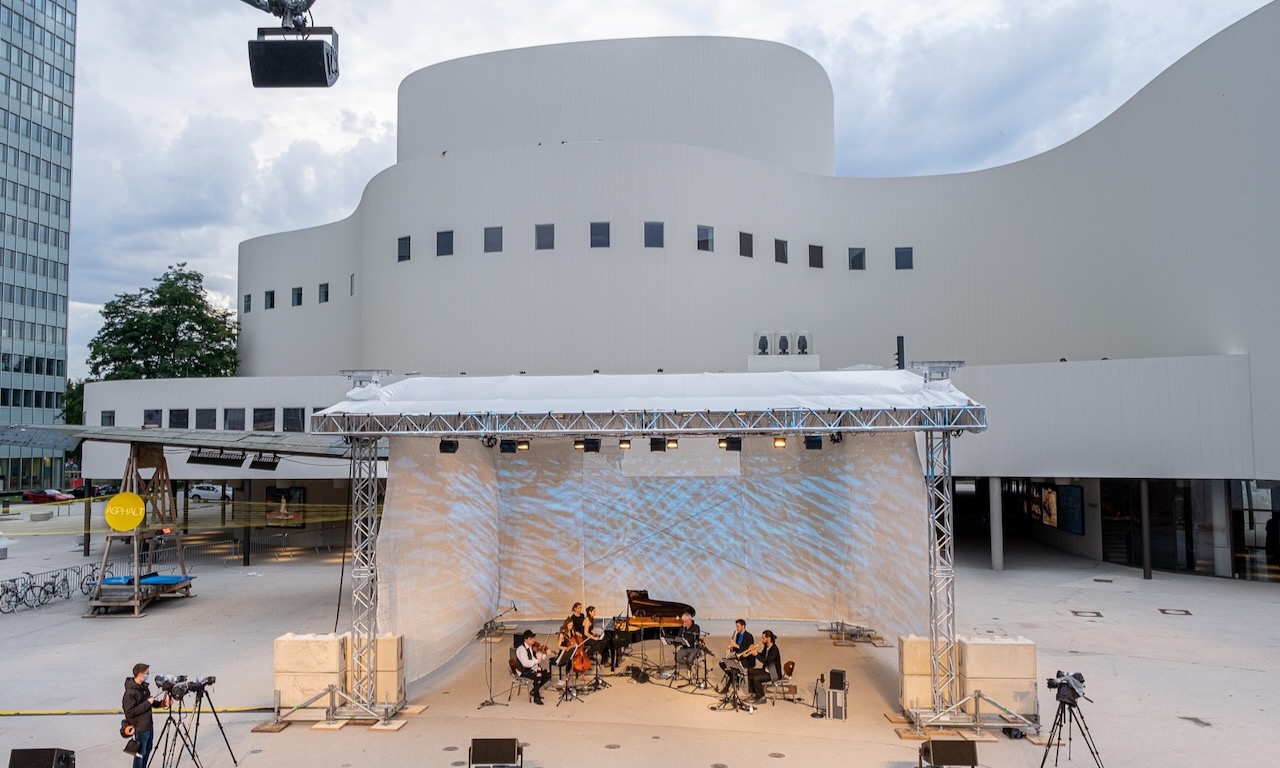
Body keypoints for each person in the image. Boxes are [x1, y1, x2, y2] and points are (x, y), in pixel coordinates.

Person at [122, 662, 169, 768]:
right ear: (140, 674)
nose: (148, 675)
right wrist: (148, 703)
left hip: (148, 725)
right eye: (146, 673)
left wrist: (161, 704)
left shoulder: (143, 687)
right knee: (140, 754)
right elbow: (130, 712)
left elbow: (149, 702)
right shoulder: (130, 693)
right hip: (140, 728)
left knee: (148, 750)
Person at [718, 618, 756, 692]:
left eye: (738, 626)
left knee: (733, 666)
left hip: (747, 660)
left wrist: (736, 645)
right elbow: (737, 649)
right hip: (738, 658)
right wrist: (732, 648)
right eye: (736, 626)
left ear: (743, 626)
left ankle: (727, 687)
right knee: (722, 663)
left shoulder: (749, 636)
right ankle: (736, 678)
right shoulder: (738, 635)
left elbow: (747, 651)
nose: (737, 628)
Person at [745, 629, 781, 703]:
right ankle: (754, 694)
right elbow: (762, 655)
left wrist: (756, 655)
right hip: (766, 670)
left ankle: (762, 697)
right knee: (750, 671)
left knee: (756, 679)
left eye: (763, 638)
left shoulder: (774, 650)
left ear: (769, 639)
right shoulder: (766, 647)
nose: (762, 640)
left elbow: (767, 662)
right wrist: (754, 652)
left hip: (773, 673)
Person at [515, 630, 550, 704]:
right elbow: (525, 663)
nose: (533, 640)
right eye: (531, 639)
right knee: (538, 676)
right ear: (525, 640)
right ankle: (536, 698)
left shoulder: (530, 647)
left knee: (547, 674)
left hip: (530, 668)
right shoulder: (521, 649)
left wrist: (544, 656)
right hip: (523, 670)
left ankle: (534, 691)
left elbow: (532, 658)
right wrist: (536, 661)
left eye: (533, 638)